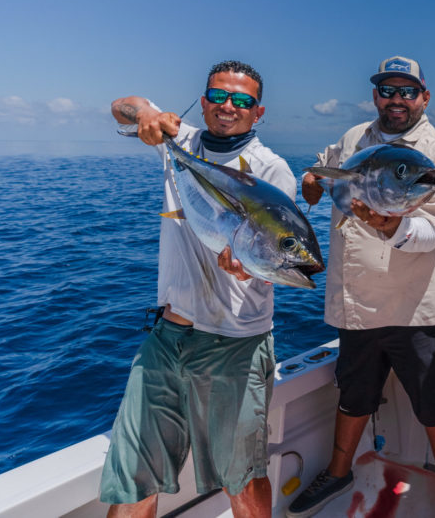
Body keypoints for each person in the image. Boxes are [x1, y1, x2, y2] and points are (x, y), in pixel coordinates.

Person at [101, 60, 296, 518]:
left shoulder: (272, 170)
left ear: (258, 111)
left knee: (243, 483)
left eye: (243, 100)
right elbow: (119, 106)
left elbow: (274, 258)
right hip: (166, 340)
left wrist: (251, 268)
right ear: (205, 101)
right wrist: (148, 114)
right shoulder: (180, 141)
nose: (230, 107)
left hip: (236, 345)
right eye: (220, 96)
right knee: (132, 479)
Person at [287, 56, 435, 518]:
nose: (397, 100)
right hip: (357, 304)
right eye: (388, 90)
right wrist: (308, 185)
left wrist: (392, 228)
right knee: (354, 397)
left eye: (408, 91)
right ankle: (339, 470)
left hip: (417, 310)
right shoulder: (353, 139)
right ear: (375, 96)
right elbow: (321, 174)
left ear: (424, 98)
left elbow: (433, 232)